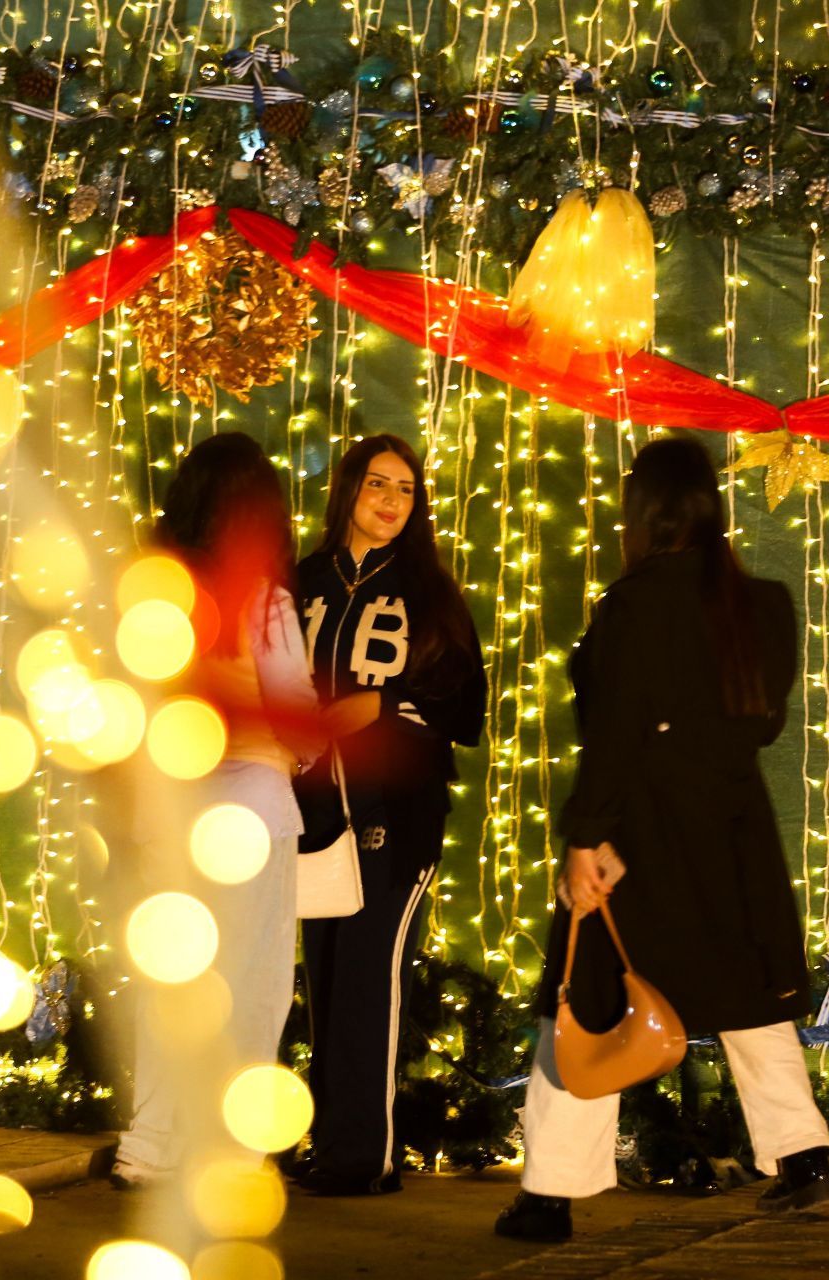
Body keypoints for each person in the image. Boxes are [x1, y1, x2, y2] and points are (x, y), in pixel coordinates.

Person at [494, 434, 829, 1243]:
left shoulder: (635, 602)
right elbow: (763, 723)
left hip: (638, 836)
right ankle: (805, 1158)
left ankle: (549, 1196)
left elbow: (612, 735)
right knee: (748, 1000)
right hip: (731, 828)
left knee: (583, 999)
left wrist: (587, 838)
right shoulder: (764, 603)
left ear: (644, 513)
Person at [110, 432, 324, 1187]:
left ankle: (152, 1143)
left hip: (168, 819)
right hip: (254, 818)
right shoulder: (263, 603)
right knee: (251, 988)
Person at [294, 433, 486, 1196]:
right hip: (308, 811)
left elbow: (466, 705)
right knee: (329, 973)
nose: (391, 502)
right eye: (378, 485)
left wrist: (381, 705)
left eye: (406, 491)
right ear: (348, 490)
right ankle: (326, 1138)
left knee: (371, 972)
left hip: (396, 813)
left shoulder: (428, 592)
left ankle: (360, 1157)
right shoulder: (302, 581)